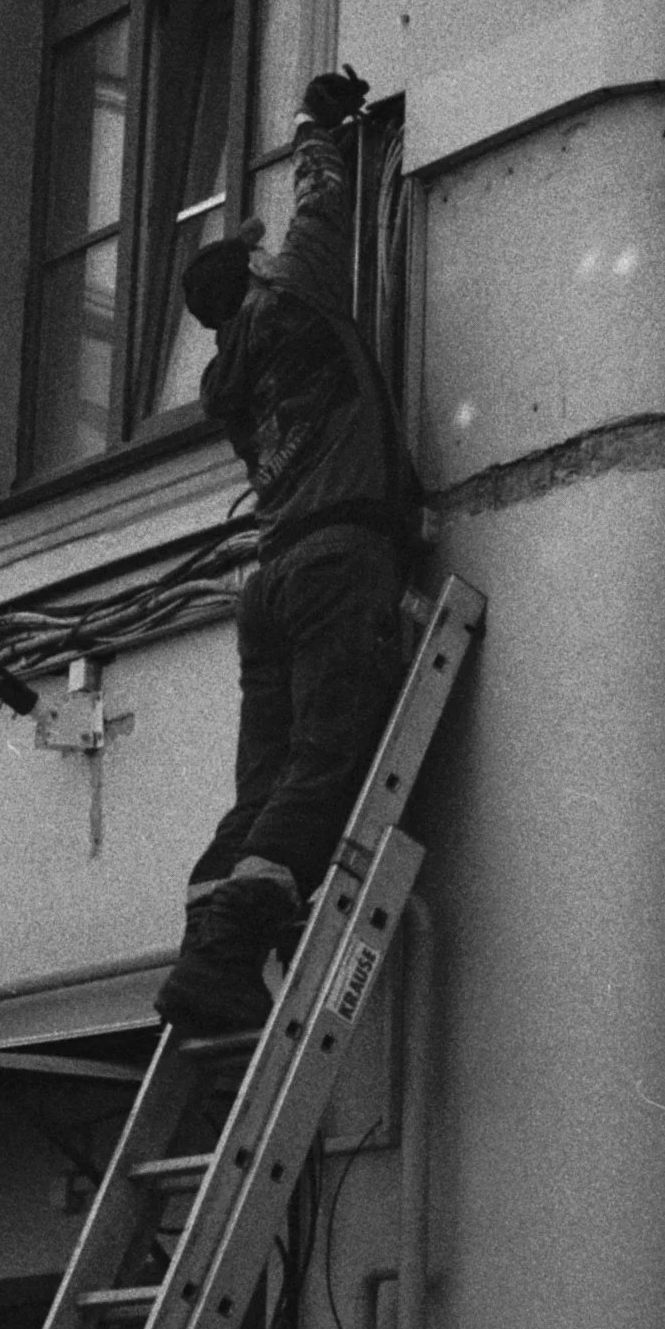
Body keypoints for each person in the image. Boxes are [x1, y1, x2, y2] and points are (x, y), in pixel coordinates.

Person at [155, 65, 418, 1037]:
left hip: (269, 582)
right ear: (256, 278)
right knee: (324, 764)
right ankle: (227, 952)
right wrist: (319, 125)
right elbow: (323, 208)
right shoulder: (296, 304)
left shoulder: (231, 380)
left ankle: (203, 957)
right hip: (336, 559)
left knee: (263, 787)